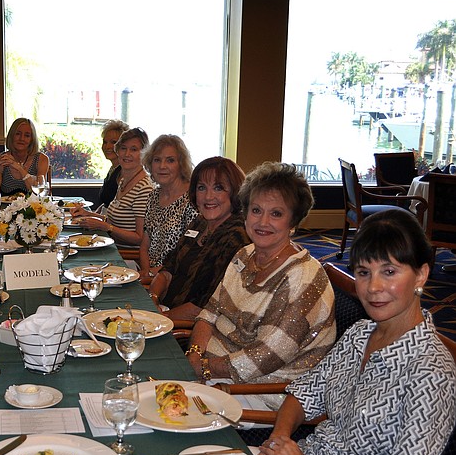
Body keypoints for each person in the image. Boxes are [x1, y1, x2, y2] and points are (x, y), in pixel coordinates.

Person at [258, 209, 456, 455]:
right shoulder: (361, 334)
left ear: (421, 275)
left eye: (389, 271)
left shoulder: (430, 371)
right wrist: (278, 443)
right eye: (364, 272)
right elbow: (306, 394)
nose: (374, 287)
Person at [186, 162, 336, 409]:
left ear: (293, 221)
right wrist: (194, 354)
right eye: (256, 210)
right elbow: (209, 313)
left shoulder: (302, 277)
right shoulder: (244, 256)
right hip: (213, 375)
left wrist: (204, 367)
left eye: (276, 213)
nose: (263, 222)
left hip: (262, 391)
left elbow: (264, 357)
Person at [149, 156, 249, 322]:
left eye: (218, 188)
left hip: (185, 329)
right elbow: (168, 269)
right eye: (202, 188)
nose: (208, 197)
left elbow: (204, 305)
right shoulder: (199, 223)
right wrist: (153, 297)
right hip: (164, 313)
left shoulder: (237, 237)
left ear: (235, 192)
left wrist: (159, 320)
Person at [71, 127, 152, 246]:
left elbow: (139, 238)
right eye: (123, 148)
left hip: (126, 255)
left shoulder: (144, 188)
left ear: (145, 153)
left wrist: (105, 226)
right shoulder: (125, 180)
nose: (127, 154)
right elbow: (114, 221)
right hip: (111, 244)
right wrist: (88, 214)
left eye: (134, 149)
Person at [138, 134, 198, 277]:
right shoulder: (153, 196)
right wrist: (146, 273)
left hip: (175, 278)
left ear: (181, 164)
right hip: (148, 275)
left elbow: (191, 256)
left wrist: (153, 275)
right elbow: (145, 246)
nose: (162, 166)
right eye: (157, 160)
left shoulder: (193, 199)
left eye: (170, 160)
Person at [0, 117, 50, 196]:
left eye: (27, 136)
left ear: (32, 139)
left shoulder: (42, 159)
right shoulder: (1, 159)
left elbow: (38, 193)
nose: (22, 139)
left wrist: (18, 168)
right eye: (18, 134)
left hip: (33, 207)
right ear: (11, 136)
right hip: (5, 208)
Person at [97, 119, 129, 209]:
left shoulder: (124, 173)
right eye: (105, 142)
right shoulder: (113, 169)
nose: (107, 146)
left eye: (114, 142)